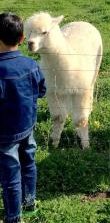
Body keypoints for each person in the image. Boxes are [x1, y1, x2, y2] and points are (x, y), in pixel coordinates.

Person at [0, 13, 46, 223]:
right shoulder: (31, 64)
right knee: (28, 164)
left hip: (4, 134)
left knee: (10, 176)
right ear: (21, 39)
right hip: (28, 125)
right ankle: (29, 205)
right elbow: (42, 90)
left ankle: (13, 217)